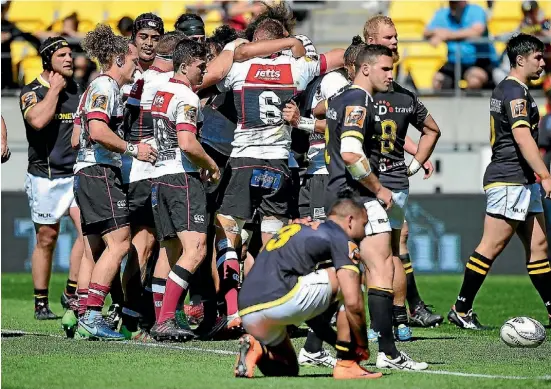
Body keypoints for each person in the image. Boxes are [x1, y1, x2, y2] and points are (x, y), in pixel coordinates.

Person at [213, 18, 341, 329]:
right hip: (278, 165)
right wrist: (295, 43)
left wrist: (242, 48)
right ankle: (272, 312)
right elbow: (339, 56)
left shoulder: (237, 67)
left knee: (228, 234)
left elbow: (216, 71)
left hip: (244, 159)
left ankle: (231, 311)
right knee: (271, 242)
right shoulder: (297, 68)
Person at [325, 44, 428, 370]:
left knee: (341, 275)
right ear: (365, 69)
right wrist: (380, 188)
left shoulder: (339, 98)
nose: (391, 74)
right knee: (381, 266)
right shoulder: (358, 100)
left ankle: (314, 346)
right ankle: (388, 351)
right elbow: (352, 153)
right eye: (385, 68)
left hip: (339, 195)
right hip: (357, 197)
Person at [449, 33, 551, 330]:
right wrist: (545, 174)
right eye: (538, 57)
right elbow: (521, 136)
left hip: (522, 180)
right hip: (509, 179)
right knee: (491, 247)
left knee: (539, 246)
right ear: (520, 59)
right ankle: (461, 308)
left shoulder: (510, 90)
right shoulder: (514, 92)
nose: (543, 62)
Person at [235, 197, 382, 380]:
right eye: (364, 224)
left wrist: (336, 342)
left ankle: (257, 348)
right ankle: (347, 364)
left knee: (287, 369)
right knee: (350, 279)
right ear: (350, 220)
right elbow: (353, 303)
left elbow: (311, 317)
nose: (365, 232)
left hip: (248, 311)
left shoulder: (303, 231)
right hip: (281, 298)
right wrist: (361, 344)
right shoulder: (339, 235)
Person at [74, 24, 156, 340]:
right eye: (134, 60)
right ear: (120, 58)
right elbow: (96, 131)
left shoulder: (104, 89)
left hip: (89, 172)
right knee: (120, 242)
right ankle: (93, 315)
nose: (137, 66)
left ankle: (84, 313)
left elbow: (77, 136)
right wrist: (134, 149)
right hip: (98, 172)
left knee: (95, 246)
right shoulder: (105, 87)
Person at [363, 16, 443, 336]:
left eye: (396, 37)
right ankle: (403, 315)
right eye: (389, 37)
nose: (395, 42)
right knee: (395, 246)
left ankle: (383, 319)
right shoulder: (383, 87)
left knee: (374, 251)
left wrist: (415, 155)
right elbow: (417, 128)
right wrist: (415, 156)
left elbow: (387, 129)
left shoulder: (369, 89)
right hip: (396, 179)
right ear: (370, 40)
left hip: (372, 178)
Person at [149, 39, 220, 341]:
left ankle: (164, 318)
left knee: (170, 252)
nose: (204, 72)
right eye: (201, 66)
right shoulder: (187, 97)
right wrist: (212, 165)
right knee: (196, 250)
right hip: (181, 179)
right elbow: (187, 142)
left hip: (159, 178)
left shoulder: (162, 93)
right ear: (184, 64)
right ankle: (165, 319)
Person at [119, 31, 186, 340]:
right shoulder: (172, 82)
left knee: (142, 245)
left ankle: (129, 312)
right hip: (158, 169)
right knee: (167, 245)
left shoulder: (140, 80)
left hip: (137, 172)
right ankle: (154, 316)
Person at [18, 36, 84, 320]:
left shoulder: (79, 89)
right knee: (47, 237)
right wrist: (54, 91)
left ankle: (71, 293)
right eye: (62, 56)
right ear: (48, 61)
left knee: (88, 231)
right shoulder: (31, 90)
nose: (70, 59)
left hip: (76, 175)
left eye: (71, 55)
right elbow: (37, 121)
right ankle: (40, 303)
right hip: (45, 177)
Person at [424, 0, 498, 90]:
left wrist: (448, 35)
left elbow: (477, 31)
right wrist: (437, 32)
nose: (453, 5)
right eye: (451, 2)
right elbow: (426, 32)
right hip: (454, 62)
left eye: (456, 2)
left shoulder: (476, 10)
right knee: (438, 81)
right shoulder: (443, 13)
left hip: (478, 61)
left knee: (475, 80)